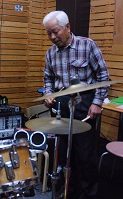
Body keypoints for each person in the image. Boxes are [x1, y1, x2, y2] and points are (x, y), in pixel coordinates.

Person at [42, 11, 110, 199]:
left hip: (84, 104)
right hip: (61, 106)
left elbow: (103, 76)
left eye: (55, 32)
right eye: (48, 33)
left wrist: (97, 103)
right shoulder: (50, 53)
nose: (53, 37)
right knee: (63, 155)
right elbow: (48, 78)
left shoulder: (87, 45)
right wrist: (48, 93)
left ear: (68, 27)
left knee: (84, 156)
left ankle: (87, 195)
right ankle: (67, 193)